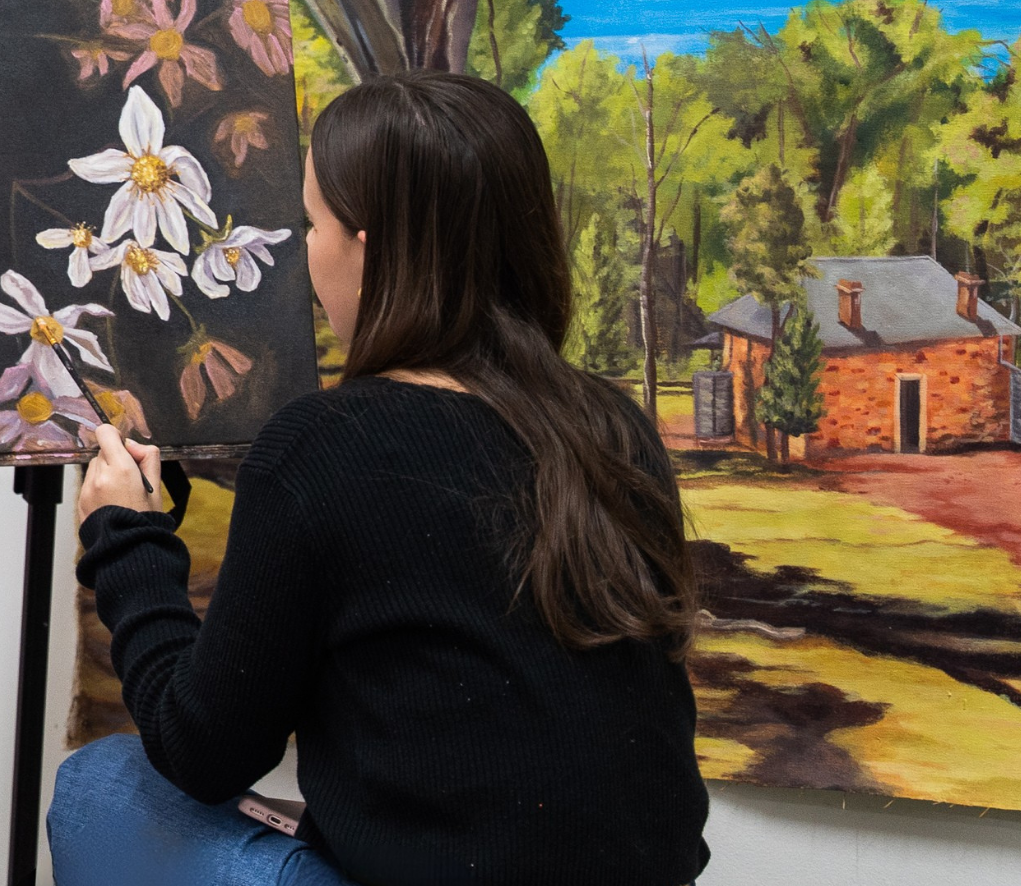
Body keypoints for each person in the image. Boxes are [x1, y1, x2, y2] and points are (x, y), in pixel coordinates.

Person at [48, 73, 710, 886]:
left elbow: (202, 749)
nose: (303, 250)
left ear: (368, 247)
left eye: (310, 223)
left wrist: (128, 540)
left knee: (98, 786)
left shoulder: (326, 445)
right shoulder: (615, 429)